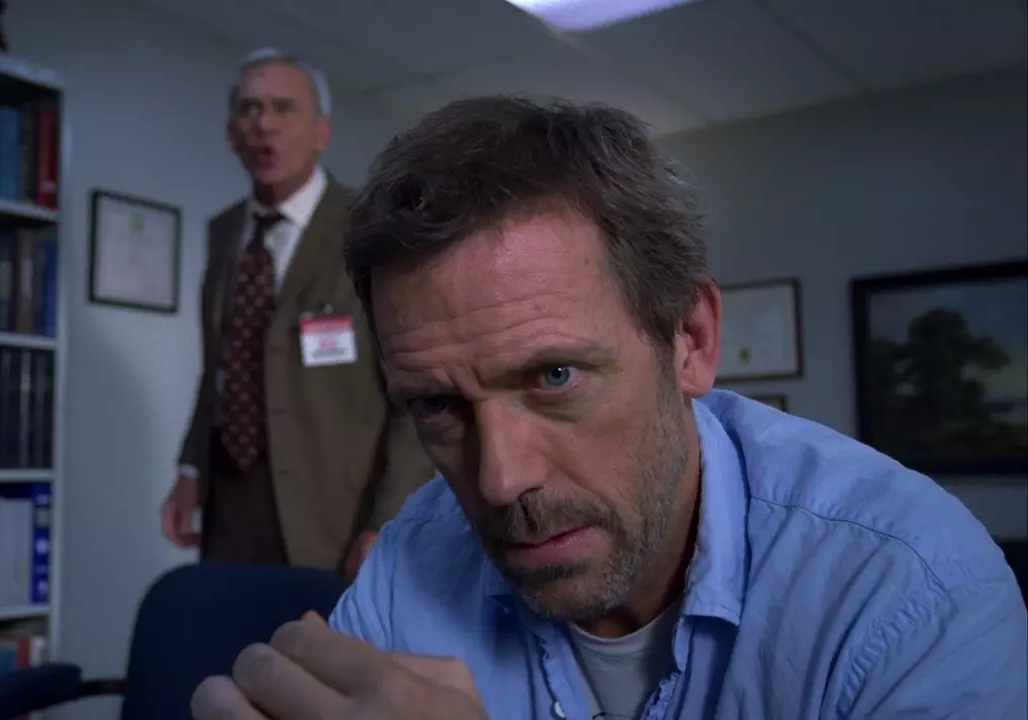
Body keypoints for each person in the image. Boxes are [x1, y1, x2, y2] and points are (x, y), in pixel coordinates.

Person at [187, 96, 1028, 719]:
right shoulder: (414, 559)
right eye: (438, 405)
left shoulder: (910, 593)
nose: (501, 478)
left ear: (690, 341)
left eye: (555, 376)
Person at [161, 48, 433, 577]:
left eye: (284, 108)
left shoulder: (372, 229)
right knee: (227, 629)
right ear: (230, 134)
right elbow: (219, 367)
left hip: (336, 517)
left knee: (319, 634)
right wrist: (191, 467)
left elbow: (416, 395)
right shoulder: (224, 233)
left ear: (322, 132)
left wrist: (387, 521)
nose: (264, 124)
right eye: (249, 109)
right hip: (230, 507)